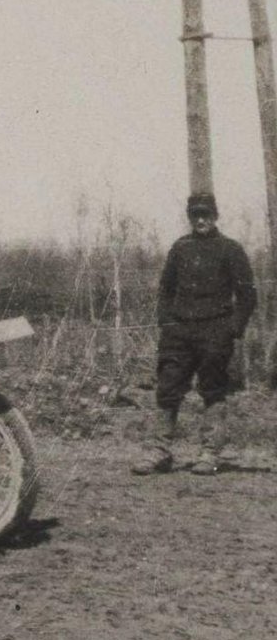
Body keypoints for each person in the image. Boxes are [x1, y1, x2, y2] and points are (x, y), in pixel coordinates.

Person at [131, 193, 256, 476]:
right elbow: (165, 290)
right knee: (167, 387)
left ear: (215, 216)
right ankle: (159, 452)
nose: (201, 220)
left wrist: (232, 329)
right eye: (195, 214)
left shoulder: (230, 249)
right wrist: (167, 323)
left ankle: (209, 453)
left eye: (206, 214)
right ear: (189, 217)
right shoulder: (180, 248)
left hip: (215, 331)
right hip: (179, 331)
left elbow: (248, 296)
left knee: (212, 389)